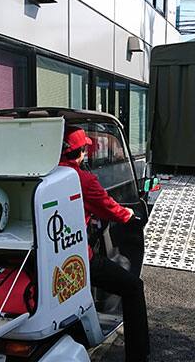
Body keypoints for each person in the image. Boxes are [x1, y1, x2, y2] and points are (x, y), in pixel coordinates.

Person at [59, 125, 150, 362]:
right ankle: (138, 356)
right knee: (133, 288)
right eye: (84, 150)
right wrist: (133, 217)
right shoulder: (82, 179)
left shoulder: (43, 174)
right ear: (79, 152)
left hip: (48, 260)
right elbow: (109, 207)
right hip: (77, 259)